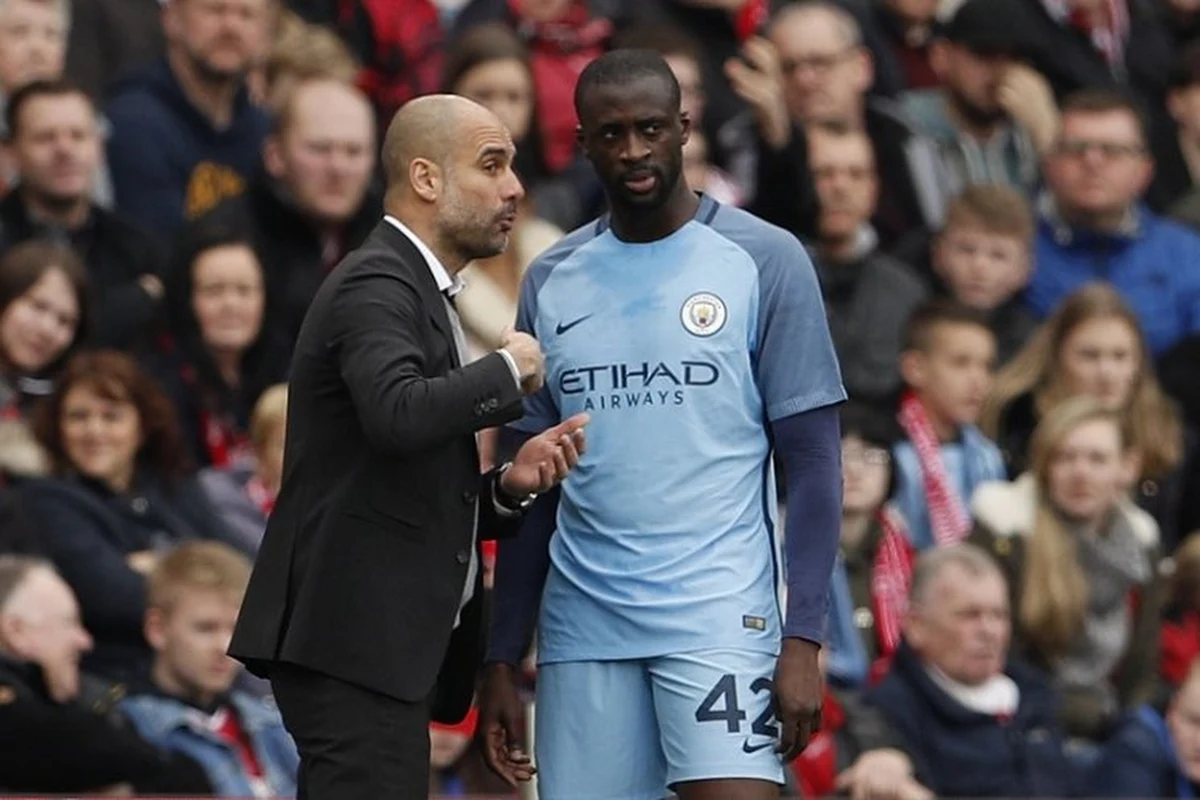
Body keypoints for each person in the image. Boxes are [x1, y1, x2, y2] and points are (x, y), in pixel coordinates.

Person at [480, 49, 845, 800]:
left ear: (685, 128)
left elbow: (813, 467)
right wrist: (501, 657)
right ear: (583, 144)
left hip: (720, 618)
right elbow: (533, 482)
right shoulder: (552, 279)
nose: (634, 151)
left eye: (651, 129)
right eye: (611, 135)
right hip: (585, 628)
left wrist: (804, 638)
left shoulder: (765, 261)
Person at [226, 93, 590, 799]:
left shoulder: (416, 286)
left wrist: (508, 487)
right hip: (352, 645)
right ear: (427, 179)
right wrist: (508, 369)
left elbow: (395, 480)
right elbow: (396, 413)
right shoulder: (377, 280)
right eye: (492, 165)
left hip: (379, 653)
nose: (514, 187)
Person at [120, 542, 298, 797]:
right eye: (206, 628)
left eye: (236, 629)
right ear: (157, 629)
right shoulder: (131, 730)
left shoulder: (271, 722)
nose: (226, 647)